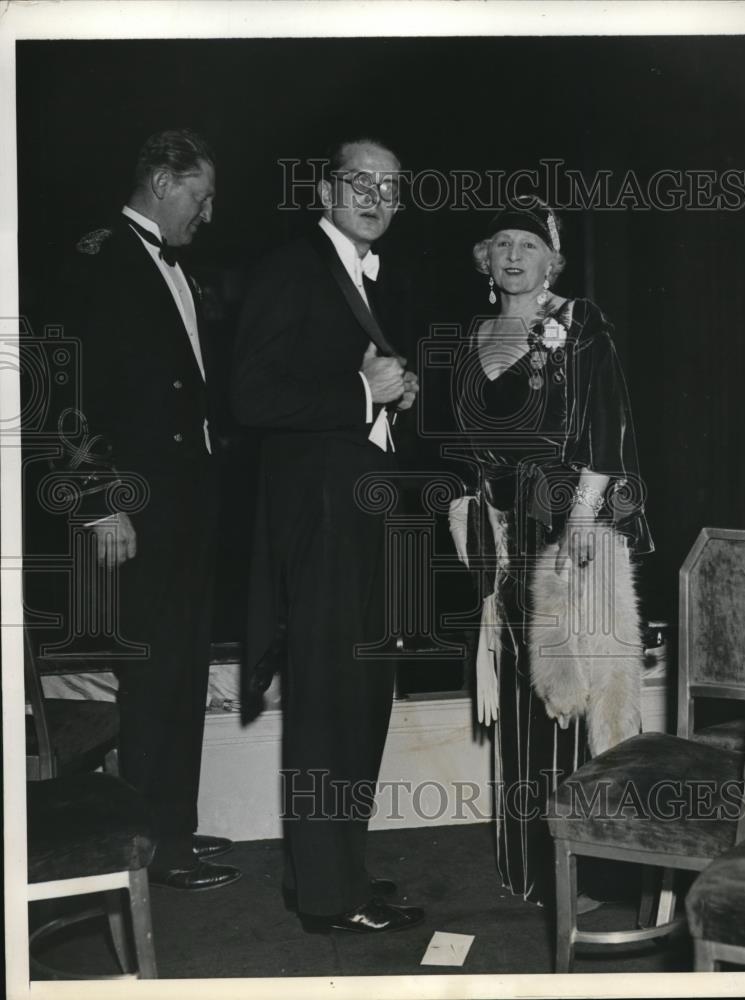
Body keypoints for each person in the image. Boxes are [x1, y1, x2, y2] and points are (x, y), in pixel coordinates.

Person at [231, 137, 423, 933]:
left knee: (357, 698)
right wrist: (359, 390)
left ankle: (337, 872)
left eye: (391, 187)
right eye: (360, 183)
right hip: (318, 518)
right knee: (326, 705)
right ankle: (324, 895)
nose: (376, 198)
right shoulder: (291, 265)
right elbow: (248, 394)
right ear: (324, 189)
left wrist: (392, 393)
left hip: (358, 510)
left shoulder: (357, 271)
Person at [448, 200, 653, 908]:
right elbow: (457, 445)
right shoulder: (472, 332)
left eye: (528, 245)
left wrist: (578, 532)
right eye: (500, 242)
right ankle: (527, 866)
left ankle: (592, 872)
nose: (512, 255)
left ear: (551, 260)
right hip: (502, 535)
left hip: (570, 529)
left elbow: (607, 430)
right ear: (484, 258)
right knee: (519, 692)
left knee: (578, 693)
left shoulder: (581, 324)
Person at [61, 129, 240, 891]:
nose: (207, 214)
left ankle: (173, 832)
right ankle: (146, 845)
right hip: (133, 508)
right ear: (164, 182)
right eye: (200, 196)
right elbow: (62, 384)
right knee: (151, 676)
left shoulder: (173, 268)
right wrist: (98, 500)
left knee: (180, 667)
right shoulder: (98, 260)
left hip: (186, 501)